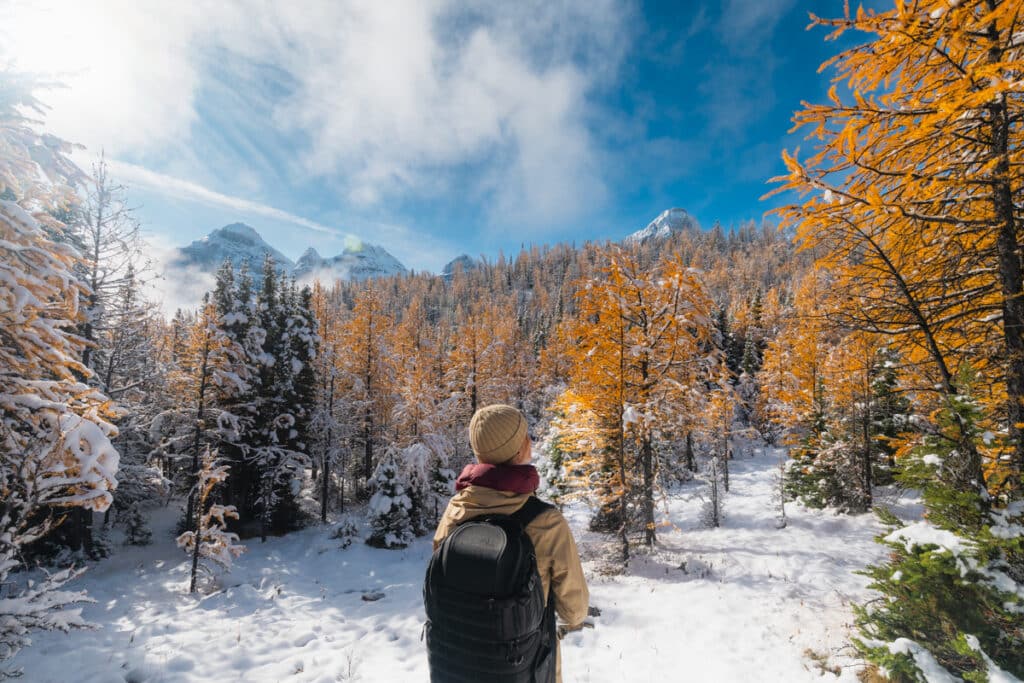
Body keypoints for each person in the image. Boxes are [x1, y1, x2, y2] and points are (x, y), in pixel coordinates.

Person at [433, 404, 589, 683]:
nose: (530, 441)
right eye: (525, 436)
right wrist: (573, 620)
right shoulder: (546, 522)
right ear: (518, 450)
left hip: (460, 659)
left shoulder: (456, 508)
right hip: (525, 662)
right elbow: (573, 605)